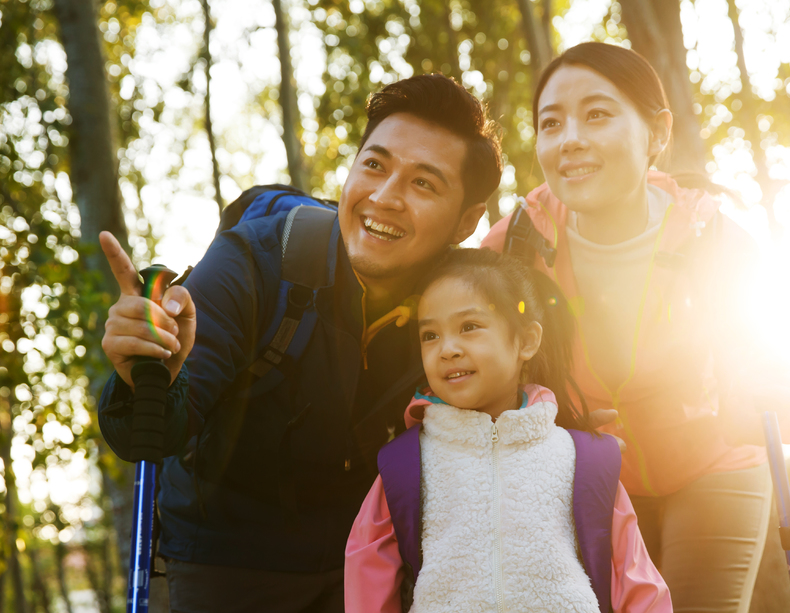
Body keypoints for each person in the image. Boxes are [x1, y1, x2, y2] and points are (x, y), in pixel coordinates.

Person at [95, 74, 503, 611]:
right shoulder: (257, 260)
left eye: (424, 184)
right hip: (225, 560)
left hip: (366, 562)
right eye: (374, 165)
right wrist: (147, 378)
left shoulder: (466, 303)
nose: (384, 198)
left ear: (467, 221)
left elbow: (515, 412)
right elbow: (152, 433)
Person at [481, 42, 790, 613]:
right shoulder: (514, 248)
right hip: (588, 476)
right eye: (550, 123)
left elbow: (777, 398)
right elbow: (472, 374)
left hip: (711, 464)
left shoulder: (717, 241)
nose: (570, 138)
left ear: (657, 133)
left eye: (597, 114)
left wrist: (765, 398)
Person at [344, 248, 672, 612]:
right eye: (430, 335)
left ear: (527, 341)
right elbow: (368, 580)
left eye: (469, 327)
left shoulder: (584, 459)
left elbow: (636, 579)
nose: (447, 349)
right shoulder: (404, 464)